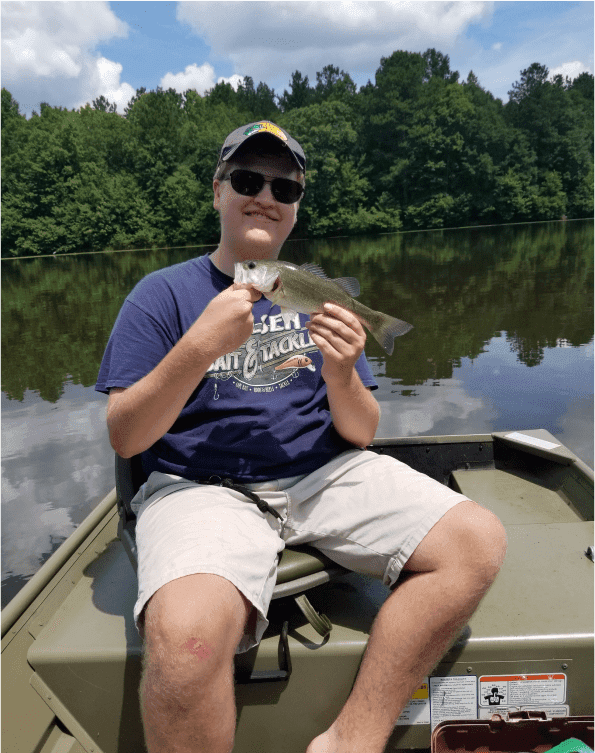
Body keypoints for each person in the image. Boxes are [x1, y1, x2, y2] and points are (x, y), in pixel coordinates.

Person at [96, 121, 507, 753]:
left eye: (283, 187)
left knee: (476, 541)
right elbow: (125, 438)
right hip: (203, 488)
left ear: (294, 210)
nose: (265, 195)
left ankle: (351, 739)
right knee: (185, 641)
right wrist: (199, 346)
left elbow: (362, 431)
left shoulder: (311, 288)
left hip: (324, 472)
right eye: (247, 179)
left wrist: (342, 369)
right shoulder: (161, 296)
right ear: (217, 192)